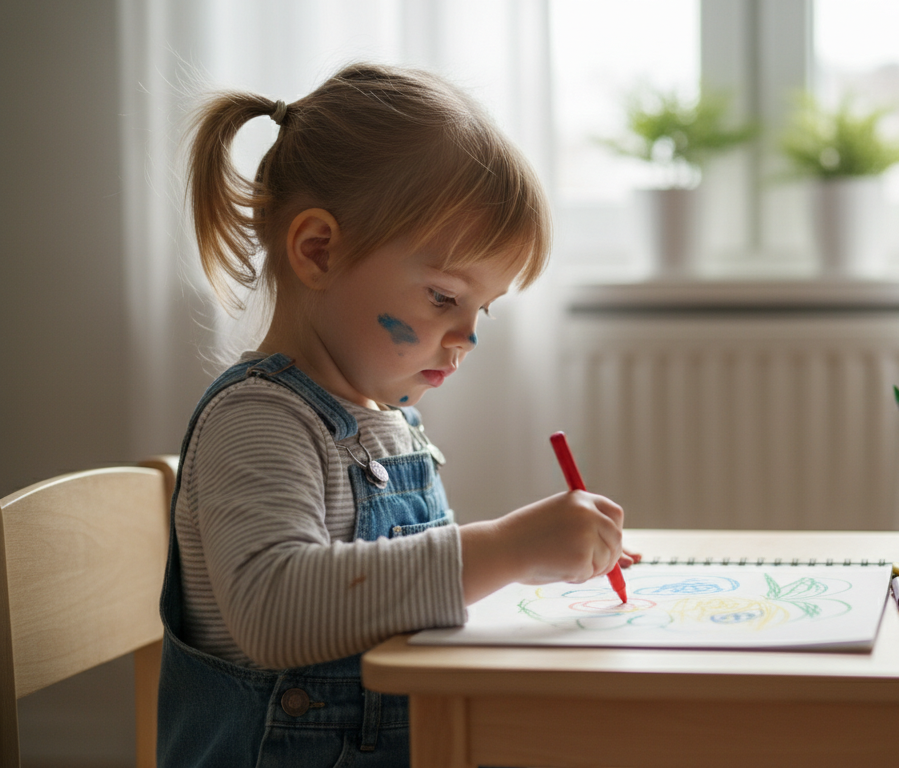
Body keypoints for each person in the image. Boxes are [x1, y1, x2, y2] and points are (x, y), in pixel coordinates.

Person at [158, 63, 627, 767]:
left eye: (483, 310)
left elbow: (392, 592)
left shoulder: (386, 422)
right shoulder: (259, 421)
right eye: (445, 298)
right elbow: (274, 609)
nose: (468, 335)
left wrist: (535, 563)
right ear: (318, 250)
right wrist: (505, 548)